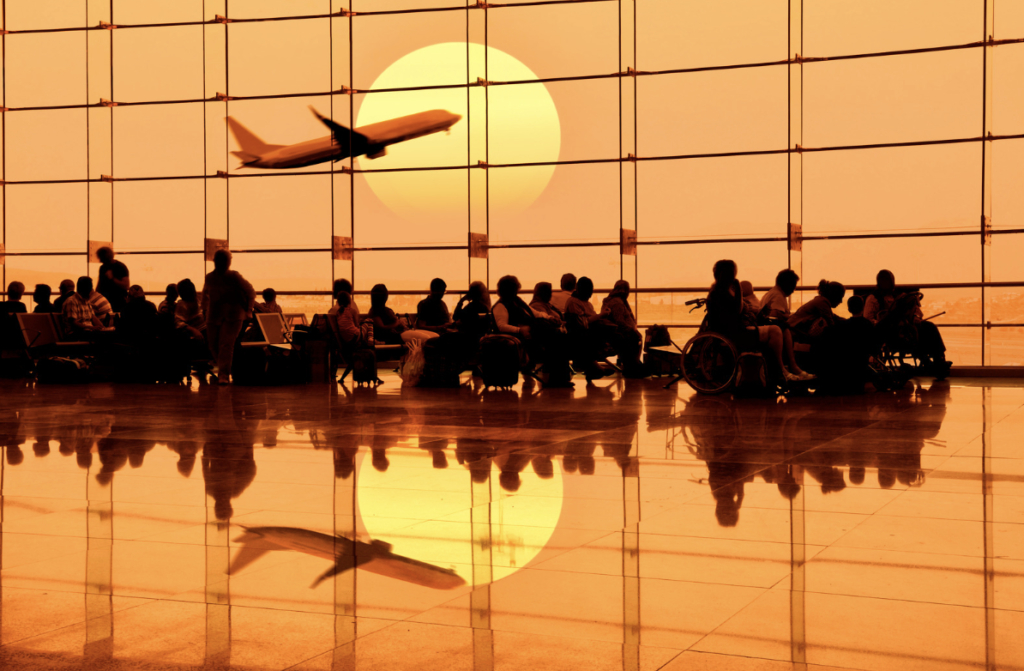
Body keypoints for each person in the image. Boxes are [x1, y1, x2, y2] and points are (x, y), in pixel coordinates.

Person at [706, 260, 800, 382]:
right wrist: (739, 289)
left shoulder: (717, 291)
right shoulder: (723, 292)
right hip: (736, 335)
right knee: (776, 330)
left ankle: (777, 371)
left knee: (776, 329)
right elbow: (737, 310)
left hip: (732, 332)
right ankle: (781, 370)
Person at [865, 269, 951, 377]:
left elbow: (917, 311)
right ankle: (928, 363)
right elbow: (868, 319)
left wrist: (916, 317)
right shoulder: (873, 298)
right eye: (884, 280)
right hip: (890, 332)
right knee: (911, 335)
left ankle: (939, 359)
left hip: (907, 327)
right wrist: (880, 323)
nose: (886, 283)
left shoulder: (900, 296)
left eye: (888, 280)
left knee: (930, 327)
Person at [201, 249, 256, 385]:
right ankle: (223, 369)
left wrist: (249, 310)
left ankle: (224, 374)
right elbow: (205, 293)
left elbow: (250, 292)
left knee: (226, 344)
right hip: (214, 315)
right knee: (213, 345)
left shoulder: (234, 277)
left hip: (233, 316)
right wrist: (203, 309)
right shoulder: (210, 277)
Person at [758, 269, 810, 379]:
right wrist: (793, 317)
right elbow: (776, 314)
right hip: (774, 329)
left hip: (764, 326)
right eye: (793, 286)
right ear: (787, 284)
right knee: (790, 331)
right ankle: (793, 366)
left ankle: (793, 366)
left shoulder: (771, 293)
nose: (793, 290)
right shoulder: (778, 296)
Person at [599, 280, 643, 375]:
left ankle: (633, 365)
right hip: (620, 334)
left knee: (634, 337)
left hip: (617, 333)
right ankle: (632, 367)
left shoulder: (614, 301)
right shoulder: (617, 303)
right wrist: (631, 330)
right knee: (635, 338)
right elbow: (620, 322)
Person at [95, 246, 130, 313]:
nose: (100, 261)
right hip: (105, 301)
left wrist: (112, 279)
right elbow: (99, 285)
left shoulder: (120, 267)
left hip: (118, 302)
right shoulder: (102, 268)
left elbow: (126, 285)